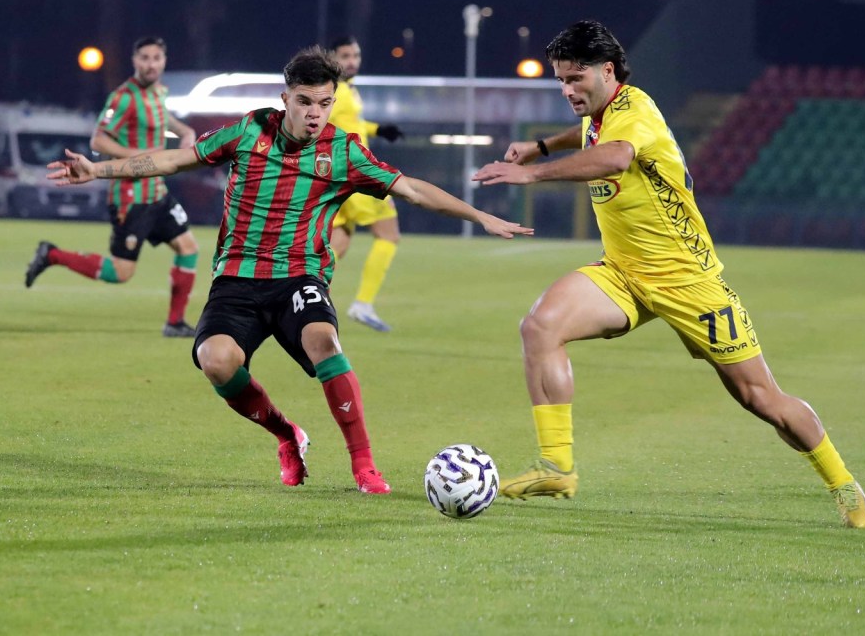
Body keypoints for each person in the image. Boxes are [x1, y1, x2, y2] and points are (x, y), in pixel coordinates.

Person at [48, 46, 532, 494]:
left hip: (299, 278)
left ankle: (363, 465)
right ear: (286, 98)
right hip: (236, 281)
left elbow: (413, 190)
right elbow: (175, 158)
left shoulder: (344, 151)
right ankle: (286, 434)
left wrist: (479, 215)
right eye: (305, 102)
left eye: (324, 102)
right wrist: (98, 169)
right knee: (216, 361)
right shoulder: (250, 130)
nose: (315, 113)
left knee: (323, 341)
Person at [473, 20, 865, 528]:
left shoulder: (635, 107)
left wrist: (531, 172)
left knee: (760, 398)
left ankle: (843, 485)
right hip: (623, 274)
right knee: (540, 326)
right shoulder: (603, 112)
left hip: (688, 281)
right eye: (560, 81)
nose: (568, 90)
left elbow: (616, 156)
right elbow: (593, 134)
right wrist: (544, 146)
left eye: (576, 79)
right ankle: (557, 466)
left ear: (608, 71)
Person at [25, 36, 201, 337]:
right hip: (130, 195)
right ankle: (52, 254)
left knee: (189, 249)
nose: (150, 64)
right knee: (122, 272)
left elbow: (163, 119)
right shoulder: (123, 97)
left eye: (156, 58)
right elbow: (98, 140)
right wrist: (136, 157)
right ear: (135, 61)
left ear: (164, 60)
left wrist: (186, 131)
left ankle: (174, 323)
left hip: (157, 191)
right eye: (144, 58)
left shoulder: (159, 92)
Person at [327, 36, 405, 332]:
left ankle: (302, 293)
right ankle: (363, 304)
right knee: (389, 234)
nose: (352, 61)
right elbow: (315, 121)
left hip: (338, 175)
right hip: (357, 174)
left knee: (339, 242)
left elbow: (349, 126)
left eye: (356, 55)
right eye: (345, 55)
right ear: (332, 58)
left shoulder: (345, 90)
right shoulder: (336, 91)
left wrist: (378, 129)